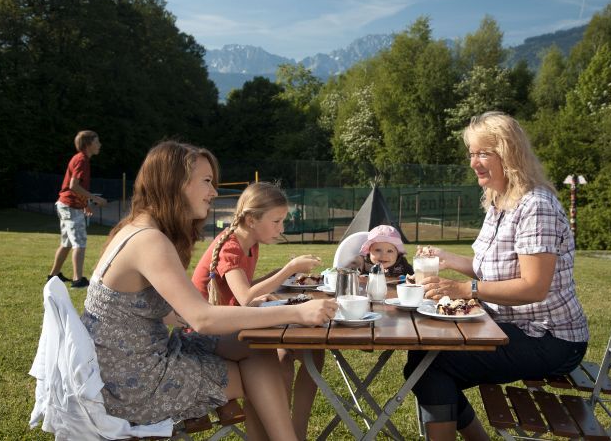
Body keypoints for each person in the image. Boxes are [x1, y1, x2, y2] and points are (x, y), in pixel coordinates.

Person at [80, 141, 336, 440]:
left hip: (130, 364)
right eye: (206, 181)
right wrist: (297, 313)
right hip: (132, 383)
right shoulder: (149, 240)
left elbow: (166, 313)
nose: (214, 192)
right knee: (260, 368)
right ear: (174, 182)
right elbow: (202, 319)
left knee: (259, 350)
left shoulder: (136, 230)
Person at [403, 112, 589, 441]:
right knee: (424, 359)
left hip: (550, 339)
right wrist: (447, 260)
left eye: (483, 153)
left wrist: (465, 289)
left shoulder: (536, 206)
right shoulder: (499, 201)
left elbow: (534, 287)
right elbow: (491, 268)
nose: (473, 162)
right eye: (471, 153)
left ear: (509, 154)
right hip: (510, 328)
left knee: (429, 365)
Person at [191, 182, 325, 440]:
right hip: (204, 334)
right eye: (276, 221)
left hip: (230, 326)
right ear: (252, 220)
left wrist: (280, 276)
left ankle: (296, 431)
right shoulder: (230, 247)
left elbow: (246, 288)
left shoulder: (250, 244)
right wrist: (288, 269)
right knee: (270, 350)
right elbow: (245, 297)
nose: (281, 228)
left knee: (311, 351)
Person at [48, 130, 107, 288]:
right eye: (97, 141)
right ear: (88, 144)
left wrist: (85, 204)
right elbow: (74, 185)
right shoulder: (81, 160)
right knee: (79, 243)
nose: (99, 145)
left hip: (66, 205)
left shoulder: (81, 159)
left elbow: (77, 187)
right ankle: (78, 280)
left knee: (66, 243)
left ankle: (53, 276)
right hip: (70, 206)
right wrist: (95, 199)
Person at [347, 224, 414, 276]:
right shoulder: (363, 263)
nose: (383, 255)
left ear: (397, 253)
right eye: (378, 250)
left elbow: (414, 278)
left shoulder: (402, 264)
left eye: (389, 251)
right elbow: (347, 274)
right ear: (369, 251)